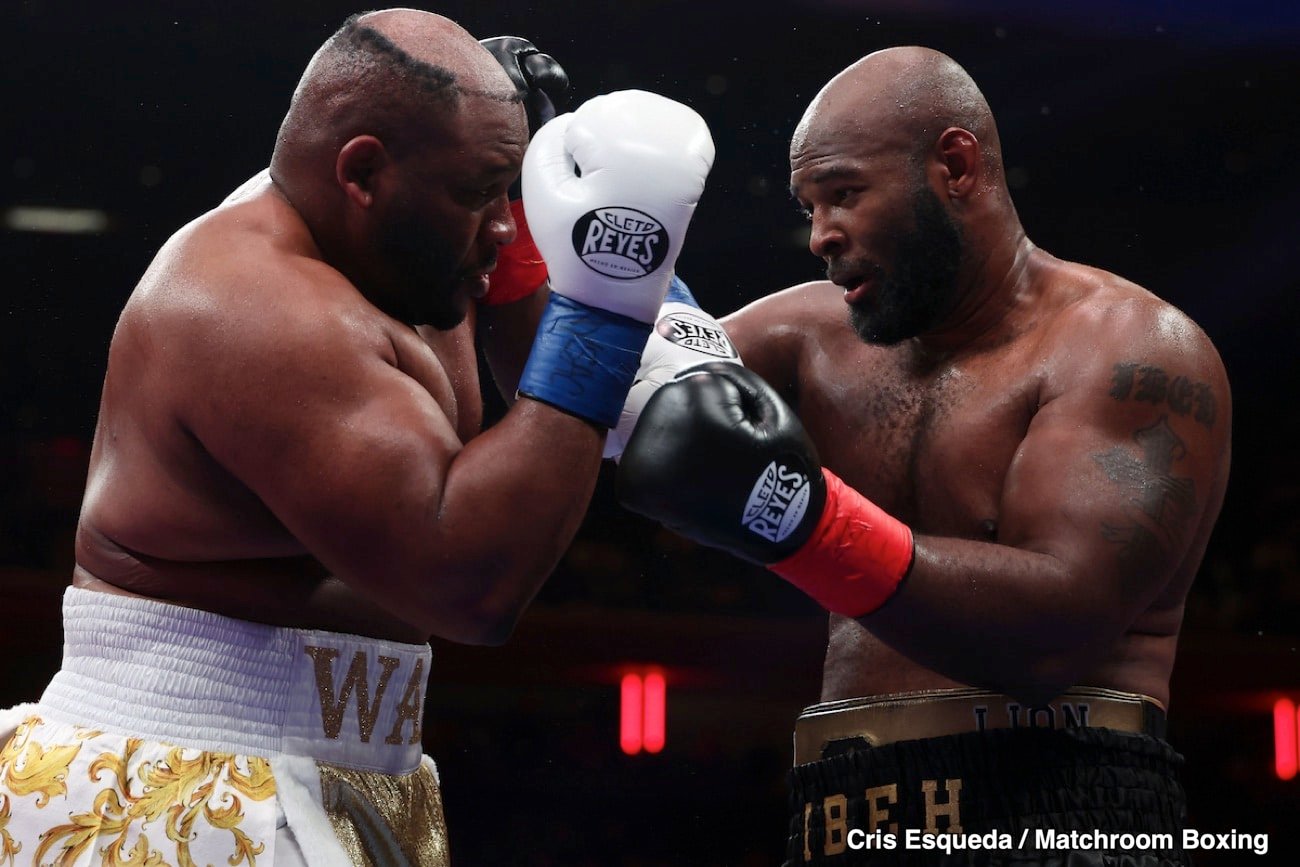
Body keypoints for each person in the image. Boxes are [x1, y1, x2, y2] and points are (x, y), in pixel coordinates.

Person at [0, 9, 713, 867]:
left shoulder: (410, 258)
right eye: (478, 193)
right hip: (181, 778)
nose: (502, 225)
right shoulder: (256, 308)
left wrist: (556, 221)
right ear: (364, 171)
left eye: (507, 191)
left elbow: (568, 393)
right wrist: (607, 298)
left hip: (351, 771)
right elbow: (469, 582)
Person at [617, 46, 1230, 865]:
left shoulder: (1128, 349)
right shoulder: (812, 334)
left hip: (1063, 807)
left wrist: (807, 523)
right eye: (808, 207)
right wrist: (537, 229)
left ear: (955, 165)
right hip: (840, 812)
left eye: (842, 194)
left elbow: (1055, 635)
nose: (819, 236)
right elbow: (596, 401)